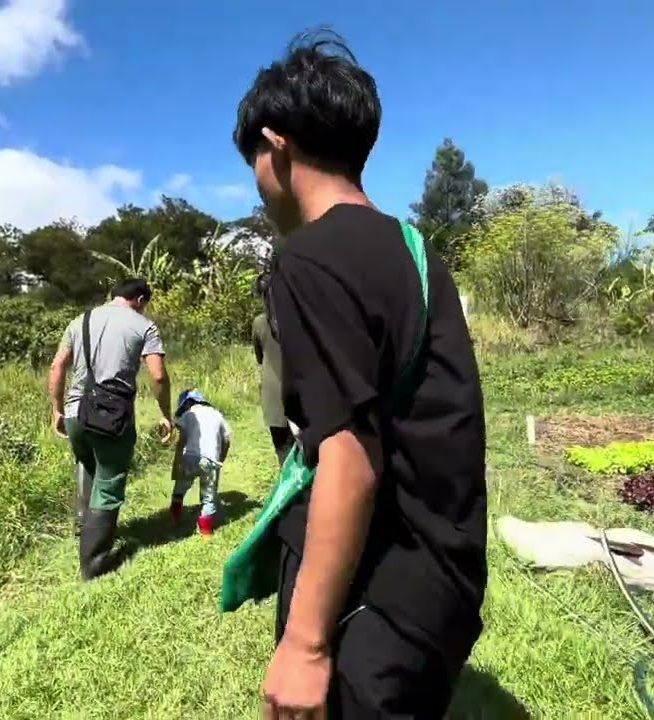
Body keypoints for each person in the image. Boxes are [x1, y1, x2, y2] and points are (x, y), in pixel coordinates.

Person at [232, 31, 489, 718]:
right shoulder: (414, 249)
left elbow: (349, 454)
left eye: (253, 162)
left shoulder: (307, 258)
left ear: (275, 145)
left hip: (375, 600)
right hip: (444, 580)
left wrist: (305, 644)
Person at [48, 277, 174, 581]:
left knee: (88, 464)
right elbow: (157, 376)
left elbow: (57, 366)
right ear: (140, 300)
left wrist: (57, 409)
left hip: (76, 412)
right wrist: (165, 414)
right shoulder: (144, 326)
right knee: (109, 480)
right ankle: (94, 563)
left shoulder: (79, 321)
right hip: (111, 416)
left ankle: (84, 528)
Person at [168, 388, 232, 537]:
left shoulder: (188, 415)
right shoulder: (217, 415)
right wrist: (220, 459)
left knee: (179, 489)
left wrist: (177, 464)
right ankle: (206, 532)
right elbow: (227, 440)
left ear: (186, 403)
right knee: (209, 497)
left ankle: (174, 520)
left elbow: (181, 441)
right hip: (211, 461)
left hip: (190, 458)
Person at [253, 273, 294, 467]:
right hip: (301, 392)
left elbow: (259, 358)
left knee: (283, 455)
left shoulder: (260, 323)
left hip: (274, 396)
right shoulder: (298, 319)